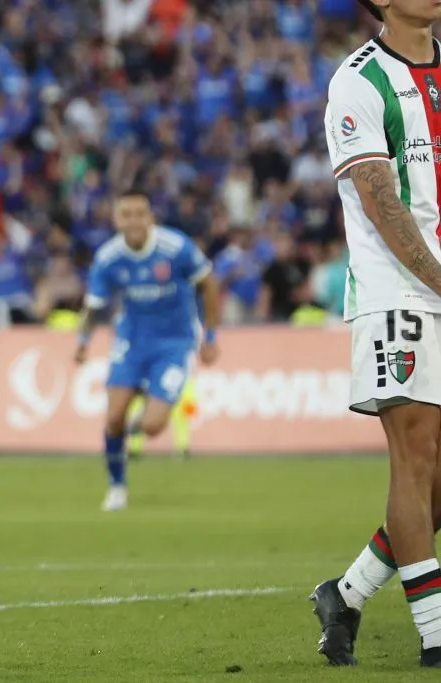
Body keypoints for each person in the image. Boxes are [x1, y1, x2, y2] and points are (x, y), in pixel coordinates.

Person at [311, 0, 441, 669]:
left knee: (439, 479)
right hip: (399, 292)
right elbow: (380, 199)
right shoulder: (359, 81)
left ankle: (347, 592)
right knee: (416, 460)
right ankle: (435, 632)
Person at [74, 188, 221, 511]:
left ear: (150, 217)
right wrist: (82, 342)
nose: (134, 221)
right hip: (131, 340)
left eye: (140, 214)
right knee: (113, 417)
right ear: (116, 219)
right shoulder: (108, 258)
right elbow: (93, 305)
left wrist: (210, 336)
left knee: (154, 427)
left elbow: (209, 283)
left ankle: (142, 413)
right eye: (126, 214)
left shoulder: (176, 247)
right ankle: (117, 487)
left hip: (174, 342)